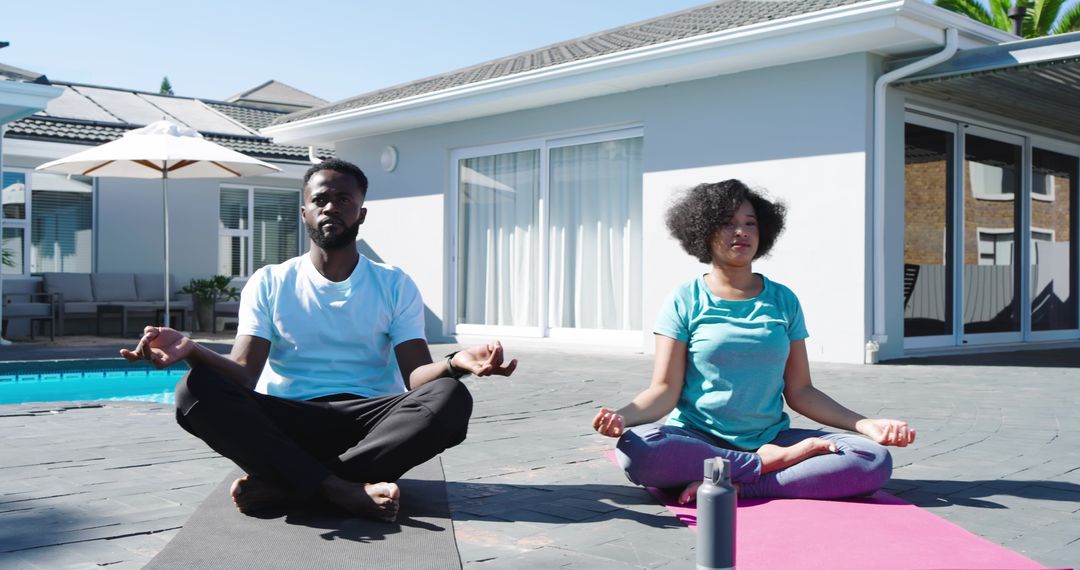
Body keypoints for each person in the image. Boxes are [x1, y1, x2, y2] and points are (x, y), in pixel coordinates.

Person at [122, 158, 516, 522]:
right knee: (194, 389)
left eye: (344, 199)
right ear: (304, 212)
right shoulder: (270, 282)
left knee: (450, 396)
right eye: (320, 199)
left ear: (360, 213)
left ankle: (294, 486)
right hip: (289, 421)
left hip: (372, 426)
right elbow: (242, 375)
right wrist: (192, 351)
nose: (331, 207)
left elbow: (414, 376)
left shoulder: (394, 283)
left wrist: (456, 363)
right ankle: (338, 488)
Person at [592, 179, 914, 503]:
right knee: (638, 448)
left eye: (750, 224)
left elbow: (801, 390)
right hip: (697, 439)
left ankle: (743, 483)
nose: (741, 232)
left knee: (870, 457)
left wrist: (865, 424)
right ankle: (764, 466)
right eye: (728, 224)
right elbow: (664, 390)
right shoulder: (684, 299)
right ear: (703, 231)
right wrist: (623, 418)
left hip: (771, 437)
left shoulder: (783, 300)